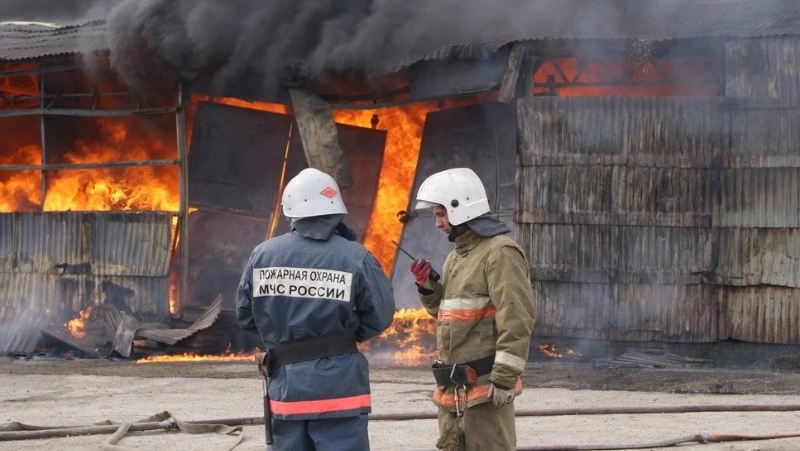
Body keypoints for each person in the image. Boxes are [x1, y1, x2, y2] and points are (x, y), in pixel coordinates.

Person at [237, 167, 396, 451]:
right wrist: (345, 337)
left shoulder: (262, 255)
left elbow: (246, 316)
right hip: (341, 389)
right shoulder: (356, 256)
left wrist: (282, 337)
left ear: (291, 209)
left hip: (286, 389)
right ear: (336, 211)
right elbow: (381, 315)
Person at [409, 167, 535, 451]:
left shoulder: (500, 252)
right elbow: (449, 317)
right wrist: (428, 288)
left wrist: (504, 379)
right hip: (452, 393)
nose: (438, 224)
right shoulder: (455, 258)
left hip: (485, 391)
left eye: (441, 215)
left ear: (461, 209)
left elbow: (516, 319)